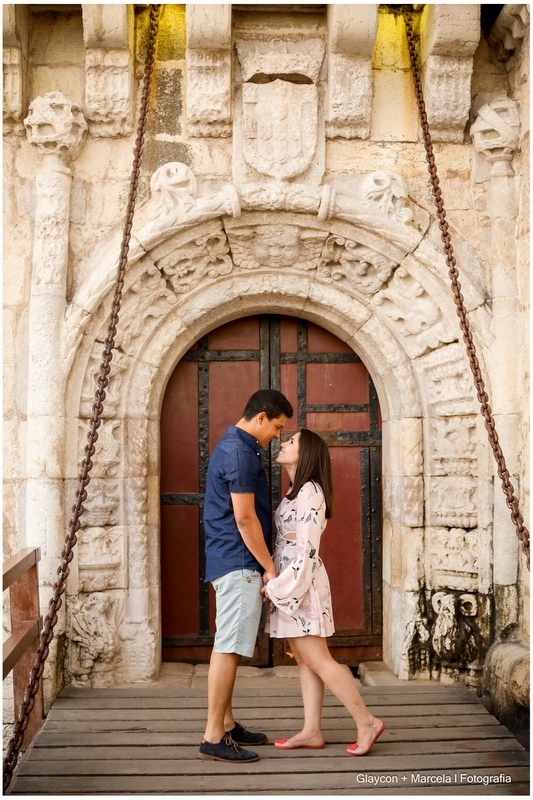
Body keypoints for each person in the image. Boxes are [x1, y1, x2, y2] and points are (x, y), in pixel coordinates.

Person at [262, 429, 385, 756]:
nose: (284, 443)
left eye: (291, 442)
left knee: (319, 658)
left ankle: (367, 722)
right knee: (305, 659)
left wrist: (278, 587)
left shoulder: (311, 492)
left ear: (307, 454)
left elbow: (307, 552)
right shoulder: (295, 491)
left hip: (300, 586)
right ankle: (312, 730)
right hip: (290, 584)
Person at [198, 389, 294, 763]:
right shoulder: (240, 452)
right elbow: (244, 517)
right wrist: (269, 566)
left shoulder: (235, 446)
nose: (278, 436)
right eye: (276, 427)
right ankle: (212, 736)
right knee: (229, 647)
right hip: (239, 562)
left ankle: (225, 724)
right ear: (260, 418)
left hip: (231, 560)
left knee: (229, 644)